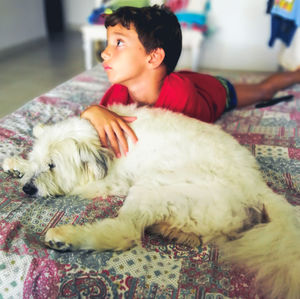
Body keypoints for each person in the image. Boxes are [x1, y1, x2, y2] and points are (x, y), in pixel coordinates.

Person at [81, 5, 300, 158]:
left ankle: (296, 73)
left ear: (153, 57)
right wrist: (92, 111)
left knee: (264, 90)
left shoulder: (180, 97)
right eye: (108, 43)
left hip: (213, 90)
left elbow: (177, 149)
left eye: (118, 43)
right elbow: (92, 128)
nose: (104, 54)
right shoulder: (116, 95)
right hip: (171, 78)